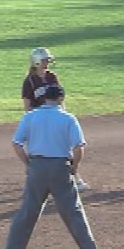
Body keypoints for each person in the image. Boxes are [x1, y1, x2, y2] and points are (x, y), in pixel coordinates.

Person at [1, 84, 107, 249]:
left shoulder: (30, 116)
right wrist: (74, 167)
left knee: (28, 210)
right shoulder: (67, 118)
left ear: (44, 98)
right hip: (59, 167)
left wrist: (28, 164)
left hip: (36, 167)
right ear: (61, 99)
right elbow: (79, 147)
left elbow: (16, 144)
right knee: (73, 211)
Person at [23, 47, 90, 191]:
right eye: (44, 60)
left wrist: (63, 113)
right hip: (39, 119)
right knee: (38, 148)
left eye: (47, 60)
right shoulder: (29, 81)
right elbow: (27, 105)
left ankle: (75, 177)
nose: (47, 63)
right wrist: (32, 121)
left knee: (65, 147)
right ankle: (34, 173)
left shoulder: (52, 76)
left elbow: (59, 96)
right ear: (36, 62)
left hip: (55, 115)